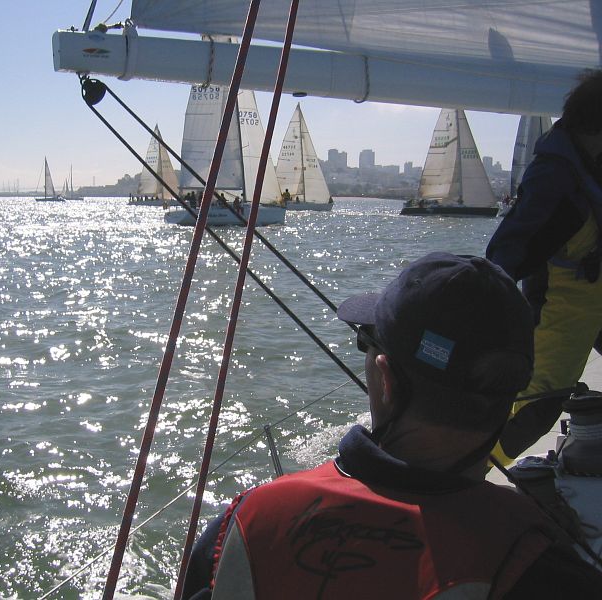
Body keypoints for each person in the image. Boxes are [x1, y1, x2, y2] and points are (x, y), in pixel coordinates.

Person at [182, 253, 602, 600]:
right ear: (515, 389)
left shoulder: (245, 524)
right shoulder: (543, 562)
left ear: (388, 381)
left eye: (367, 340)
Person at [486, 69, 602, 466]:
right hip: (563, 307)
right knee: (537, 406)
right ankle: (459, 474)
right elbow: (506, 252)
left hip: (593, 302)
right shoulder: (556, 179)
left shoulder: (588, 161)